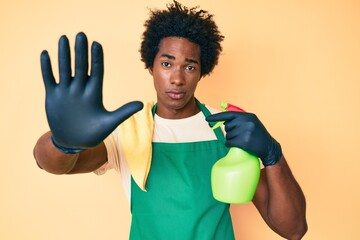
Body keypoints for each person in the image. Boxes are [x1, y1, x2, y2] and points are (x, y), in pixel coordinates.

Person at [33, 1, 307, 239]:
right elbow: (53, 164)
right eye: (166, 64)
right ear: (150, 66)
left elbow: (292, 229)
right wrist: (64, 142)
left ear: (202, 72)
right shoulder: (129, 131)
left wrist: (273, 154)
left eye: (189, 66)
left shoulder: (227, 127)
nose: (177, 78)